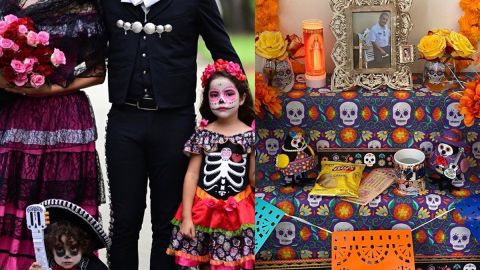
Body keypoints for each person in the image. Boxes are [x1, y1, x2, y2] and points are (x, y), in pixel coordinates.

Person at [100, 1, 241, 269]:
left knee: (167, 221)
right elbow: (88, 45)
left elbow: (225, 54)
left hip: (174, 124)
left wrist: (237, 120)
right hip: (124, 121)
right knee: (125, 221)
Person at [0, 1, 106, 269]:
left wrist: (46, 90)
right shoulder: (6, 4)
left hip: (66, 117)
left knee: (61, 203)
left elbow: (97, 72)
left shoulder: (81, 7)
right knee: (15, 194)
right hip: (18, 114)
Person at [166, 59, 255, 270]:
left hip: (238, 212)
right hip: (202, 211)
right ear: (207, 99)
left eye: (229, 94)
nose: (221, 100)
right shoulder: (203, 135)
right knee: (205, 263)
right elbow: (192, 175)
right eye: (214, 95)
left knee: (234, 264)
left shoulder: (251, 136)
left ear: (242, 98)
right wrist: (187, 217)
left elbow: (252, 176)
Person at [28, 199, 110, 270]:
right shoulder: (47, 263)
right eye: (60, 249)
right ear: (51, 249)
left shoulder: (94, 267)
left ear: (83, 247)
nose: (67, 255)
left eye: (73, 248)